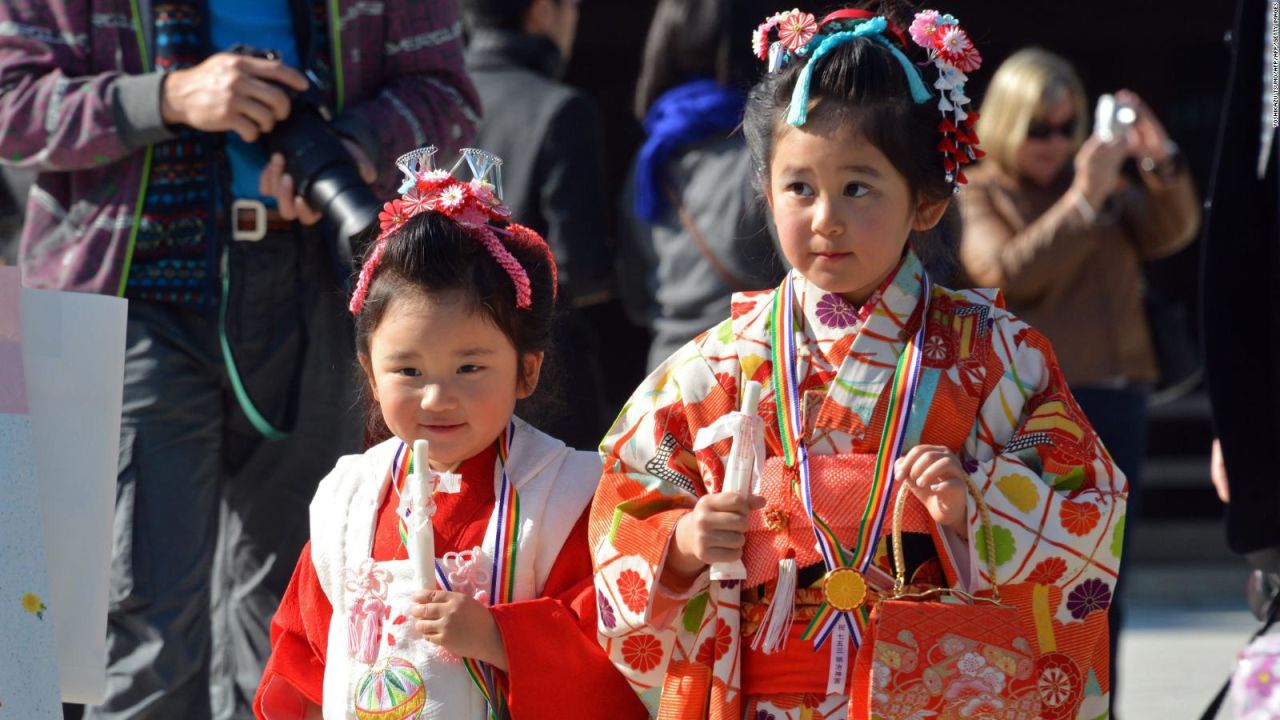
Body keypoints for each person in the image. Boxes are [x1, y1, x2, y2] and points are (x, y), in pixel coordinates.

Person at [589, 5, 1126, 718]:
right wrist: (682, 542)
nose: (825, 218)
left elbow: (1085, 503)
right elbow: (638, 483)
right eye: (799, 187)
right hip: (764, 693)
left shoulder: (997, 355)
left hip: (937, 690)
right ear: (765, 187)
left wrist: (977, 508)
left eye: (859, 187)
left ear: (928, 201)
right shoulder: (717, 368)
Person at [0, 1, 478, 717]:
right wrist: (167, 97)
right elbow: (12, 106)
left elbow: (447, 97)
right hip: (124, 295)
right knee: (139, 619)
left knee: (296, 613)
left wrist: (352, 149)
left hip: (318, 286)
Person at [253, 148, 649, 720]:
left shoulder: (570, 497)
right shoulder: (347, 501)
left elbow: (614, 651)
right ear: (369, 371)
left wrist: (498, 637)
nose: (437, 398)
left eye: (469, 368)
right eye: (408, 371)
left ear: (526, 369)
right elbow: (301, 659)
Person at [953, 48, 1200, 709]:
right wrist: (1083, 198)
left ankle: (1097, 703)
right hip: (1038, 412)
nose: (1056, 144)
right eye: (1039, 129)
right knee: (1036, 573)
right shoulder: (982, 190)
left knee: (1106, 579)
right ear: (1005, 122)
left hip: (1119, 398)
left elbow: (1174, 230)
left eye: (1067, 128)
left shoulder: (1108, 188)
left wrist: (1158, 158)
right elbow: (1000, 271)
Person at [460, 0, 615, 449]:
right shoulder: (561, 109)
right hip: (535, 374)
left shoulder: (432, 104)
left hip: (433, 367)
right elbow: (578, 267)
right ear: (544, 10)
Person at [618, 0, 786, 372]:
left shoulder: (650, 159)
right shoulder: (767, 156)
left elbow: (633, 294)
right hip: (750, 368)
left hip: (666, 374)